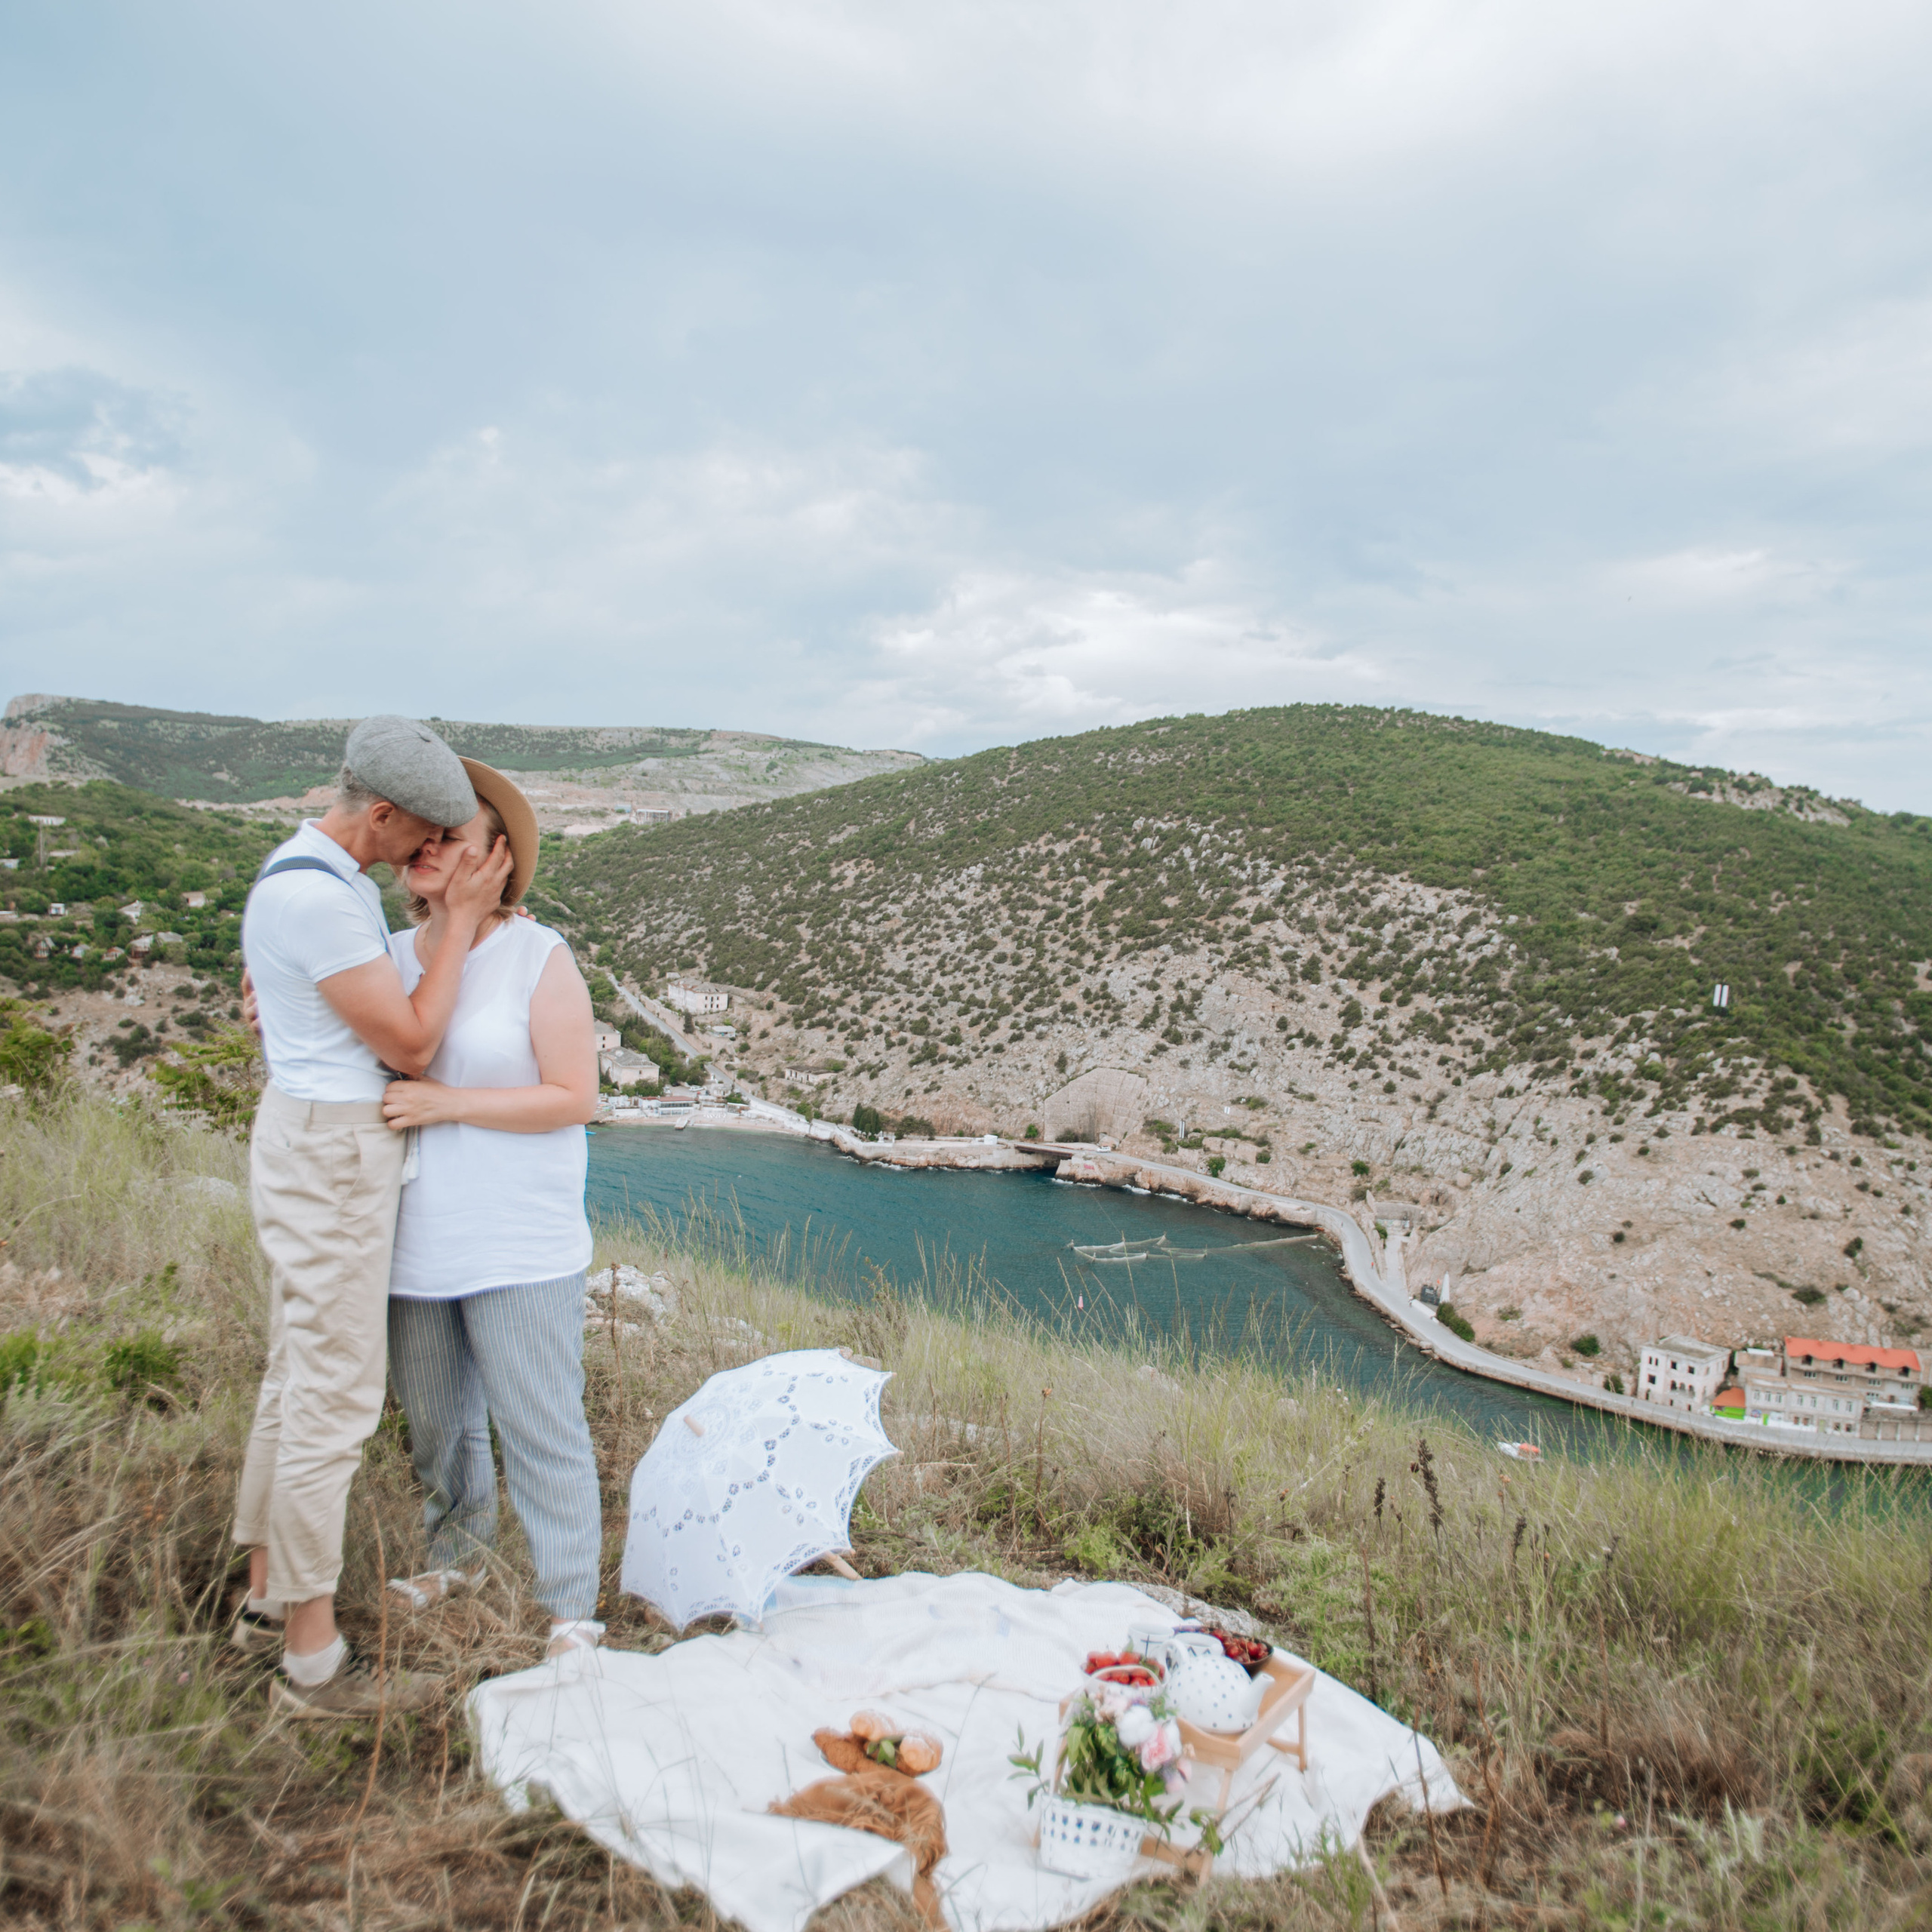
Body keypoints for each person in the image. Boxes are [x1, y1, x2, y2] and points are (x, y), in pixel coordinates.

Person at [234, 716, 512, 1719]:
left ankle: (266, 1598)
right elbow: (412, 1046)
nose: (430, 850)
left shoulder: (309, 873)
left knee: (292, 1377)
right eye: (425, 832)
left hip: (306, 1133)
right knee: (335, 1400)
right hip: (335, 1156)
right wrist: (464, 922)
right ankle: (313, 1662)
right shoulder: (321, 898)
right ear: (381, 812)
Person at [375, 759, 605, 1661]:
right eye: (423, 833)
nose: (429, 847)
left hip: (518, 1237)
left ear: (499, 858)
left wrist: (449, 1103)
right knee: (437, 1423)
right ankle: (457, 1557)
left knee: (540, 1422)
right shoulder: (389, 958)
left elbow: (574, 1095)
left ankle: (569, 1605)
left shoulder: (538, 956)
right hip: (414, 1235)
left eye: (454, 836)